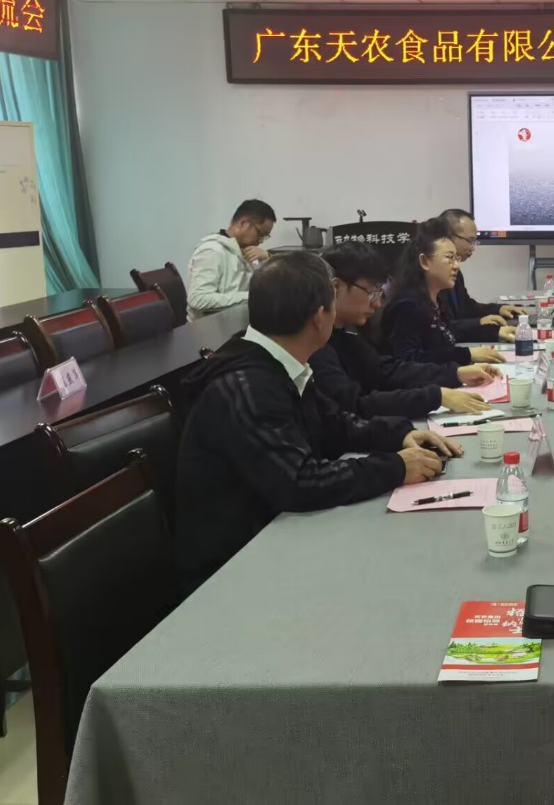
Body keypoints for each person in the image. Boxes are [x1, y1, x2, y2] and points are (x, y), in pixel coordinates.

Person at [175, 251, 458, 592]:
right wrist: (395, 468)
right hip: (233, 571)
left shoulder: (282, 364)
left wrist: (400, 435)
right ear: (319, 316)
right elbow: (298, 481)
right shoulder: (247, 386)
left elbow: (337, 425)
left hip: (277, 539)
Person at [313, 241, 499, 418]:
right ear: (336, 287)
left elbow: (386, 370)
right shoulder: (316, 344)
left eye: (378, 293)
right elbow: (356, 405)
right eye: (370, 292)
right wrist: (435, 397)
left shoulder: (345, 331)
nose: (377, 303)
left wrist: (455, 374)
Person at [379, 219, 510, 366]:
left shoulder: (435, 299)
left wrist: (495, 332)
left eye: (456, 258)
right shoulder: (406, 306)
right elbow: (409, 359)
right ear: (424, 262)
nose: (456, 266)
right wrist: (467, 355)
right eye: (449, 258)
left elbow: (449, 332)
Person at [437, 208, 527, 334]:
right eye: (469, 241)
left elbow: (466, 307)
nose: (473, 248)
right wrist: (480, 324)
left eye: (474, 241)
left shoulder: (455, 270)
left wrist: (498, 309)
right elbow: (441, 327)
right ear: (448, 237)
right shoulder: (431, 275)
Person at [186, 199, 276, 321]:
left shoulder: (244, 250)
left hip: (236, 321)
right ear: (243, 223)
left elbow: (264, 284)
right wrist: (251, 297)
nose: (260, 241)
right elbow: (198, 299)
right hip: (209, 328)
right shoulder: (212, 251)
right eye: (260, 233)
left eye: (265, 236)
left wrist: (268, 257)